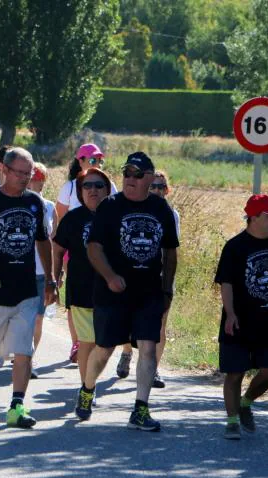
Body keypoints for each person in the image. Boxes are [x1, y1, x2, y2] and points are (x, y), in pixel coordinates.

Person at [75, 152, 179, 432]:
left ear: (149, 178)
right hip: (112, 292)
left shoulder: (161, 209)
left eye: (136, 174)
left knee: (147, 347)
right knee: (105, 348)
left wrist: (167, 288)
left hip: (149, 291)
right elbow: (93, 248)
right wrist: (110, 276)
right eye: (126, 174)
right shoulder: (110, 206)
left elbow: (170, 251)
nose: (130, 179)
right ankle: (87, 387)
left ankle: (141, 408)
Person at [0, 147, 56, 428]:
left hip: (25, 290)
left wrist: (50, 279)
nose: (25, 179)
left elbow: (43, 240)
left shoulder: (35, 203)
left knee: (24, 350)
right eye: (20, 173)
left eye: (29, 174)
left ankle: (16, 405)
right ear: (4, 169)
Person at [216, 194, 268, 440]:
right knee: (235, 373)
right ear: (253, 218)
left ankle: (246, 403)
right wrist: (230, 314)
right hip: (239, 320)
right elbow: (226, 283)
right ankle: (231, 421)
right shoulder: (235, 246)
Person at [53, 168, 110, 388]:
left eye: (98, 185)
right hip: (81, 291)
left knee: (104, 343)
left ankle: (90, 382)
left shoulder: (116, 216)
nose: (92, 190)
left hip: (111, 291)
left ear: (107, 189)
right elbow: (57, 250)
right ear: (80, 191)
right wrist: (54, 278)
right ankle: (87, 388)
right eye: (87, 185)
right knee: (87, 341)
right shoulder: (73, 219)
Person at [147, 171, 180, 388]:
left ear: (167, 190)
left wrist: (168, 283)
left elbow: (172, 249)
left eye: (161, 187)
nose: (158, 191)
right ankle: (128, 352)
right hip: (138, 274)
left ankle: (153, 370)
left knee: (160, 327)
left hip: (162, 275)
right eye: (154, 186)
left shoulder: (172, 214)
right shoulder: (137, 209)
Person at [25, 162, 57, 378]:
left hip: (41, 271)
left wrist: (54, 274)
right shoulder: (18, 203)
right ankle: (7, 348)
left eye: (42, 179)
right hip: (19, 271)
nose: (39, 183)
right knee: (16, 316)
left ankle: (29, 358)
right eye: (36, 178)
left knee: (37, 318)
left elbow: (53, 242)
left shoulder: (49, 206)